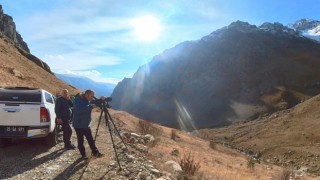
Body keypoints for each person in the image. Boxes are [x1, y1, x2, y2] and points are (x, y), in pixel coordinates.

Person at [73, 89, 103, 158]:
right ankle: (83, 155)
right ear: (87, 95)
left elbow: (95, 101)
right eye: (92, 96)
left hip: (86, 124)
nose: (92, 98)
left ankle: (96, 153)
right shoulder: (77, 100)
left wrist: (102, 99)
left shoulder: (87, 99)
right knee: (81, 141)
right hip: (78, 125)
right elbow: (79, 110)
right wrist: (91, 106)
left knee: (90, 139)